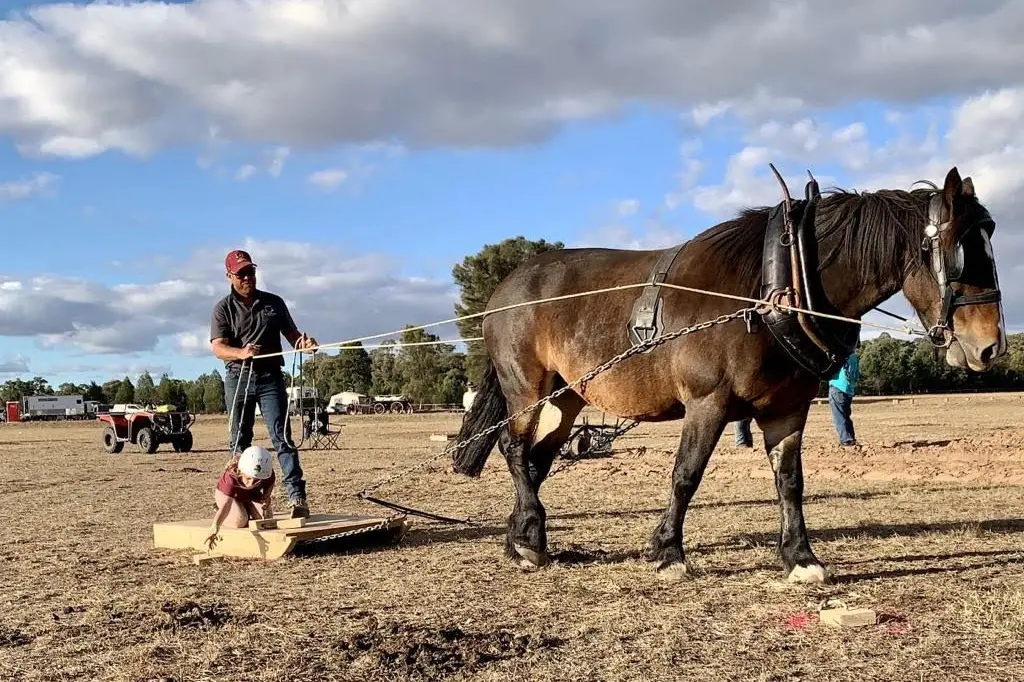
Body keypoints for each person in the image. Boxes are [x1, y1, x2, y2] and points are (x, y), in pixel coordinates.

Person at [210, 249, 318, 518]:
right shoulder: (222, 309)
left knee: (283, 439)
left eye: (251, 271)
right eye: (241, 273)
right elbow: (218, 347)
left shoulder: (274, 303)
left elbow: (293, 336)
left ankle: (297, 499)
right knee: (239, 442)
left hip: (271, 377)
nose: (248, 277)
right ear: (229, 276)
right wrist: (241, 353)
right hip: (238, 378)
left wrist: (304, 345)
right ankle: (239, 499)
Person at [206, 445, 276, 550]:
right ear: (241, 471)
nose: (251, 483)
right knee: (240, 521)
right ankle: (222, 511)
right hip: (228, 497)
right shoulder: (231, 477)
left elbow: (270, 483)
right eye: (248, 478)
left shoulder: (264, 472)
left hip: (250, 495)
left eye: (256, 480)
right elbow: (226, 504)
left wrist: (266, 496)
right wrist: (215, 526)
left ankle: (244, 509)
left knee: (266, 519)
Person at [829, 347, 860, 446]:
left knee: (839, 416)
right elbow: (856, 375)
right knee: (846, 415)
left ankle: (846, 439)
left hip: (838, 386)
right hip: (848, 389)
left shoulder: (842, 355)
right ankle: (851, 438)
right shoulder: (854, 357)